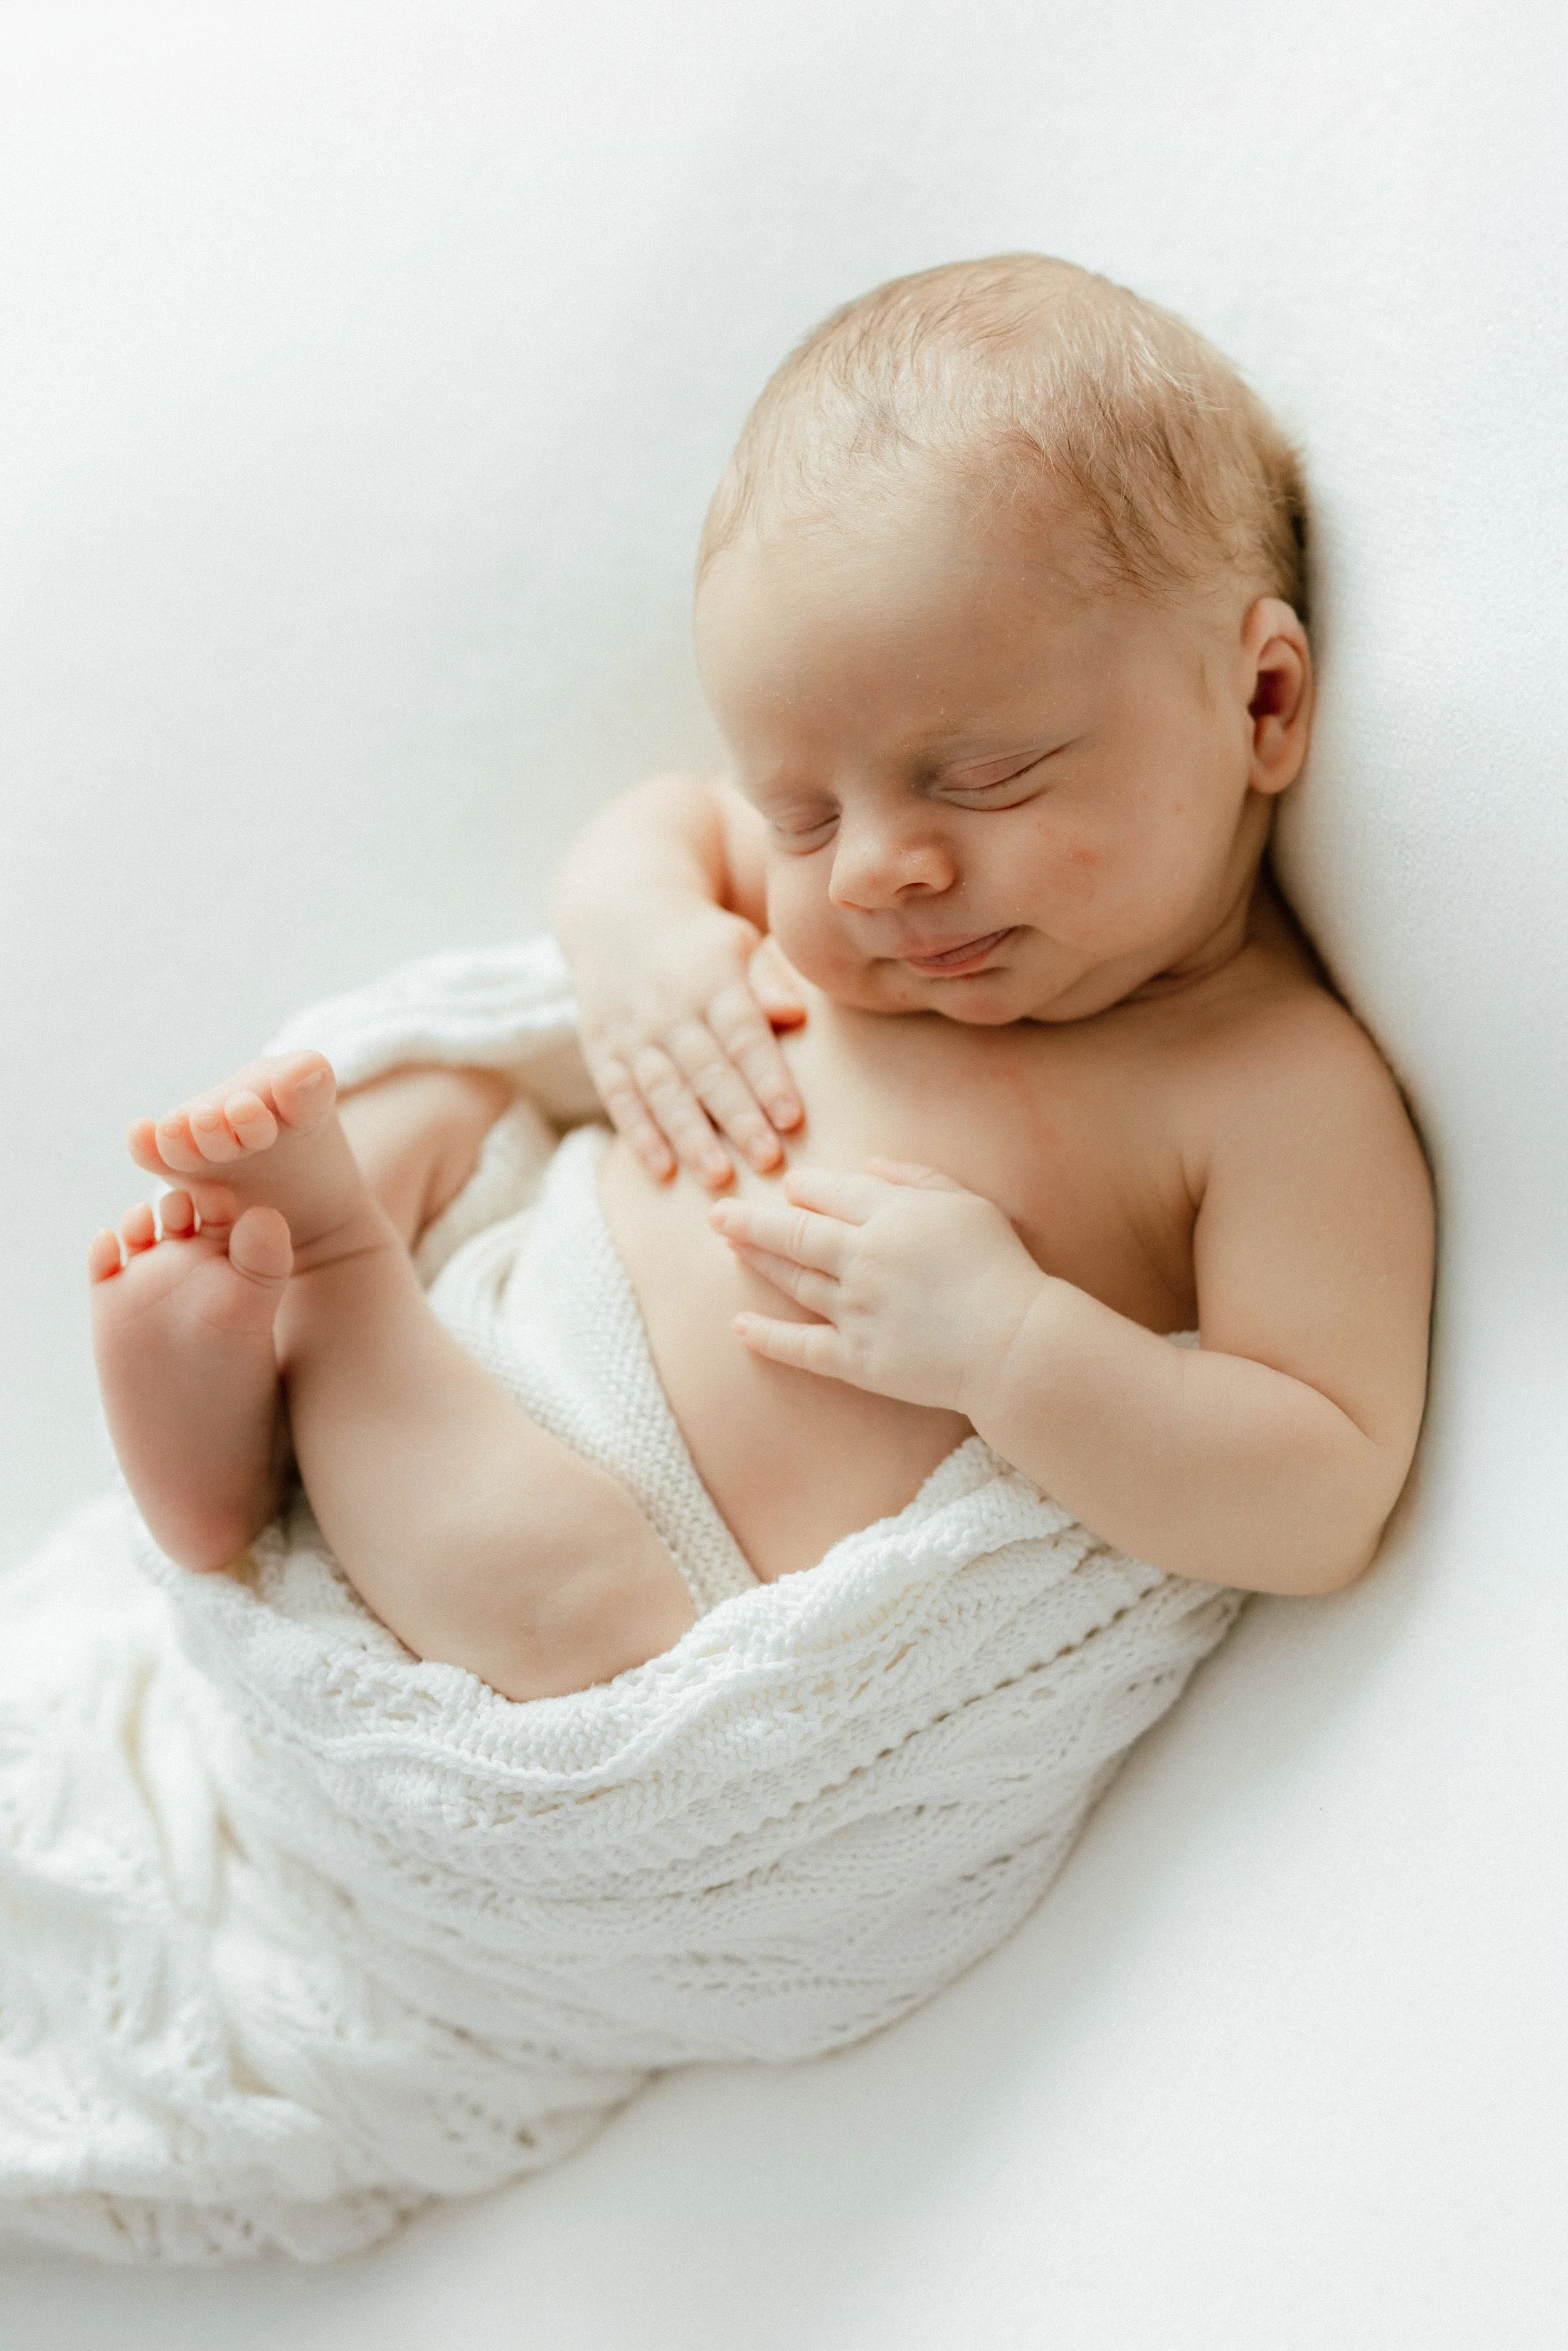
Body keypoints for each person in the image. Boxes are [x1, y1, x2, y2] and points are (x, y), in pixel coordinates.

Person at [85, 255, 1434, 1703]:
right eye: (800, 811)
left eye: (980, 778)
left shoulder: (1276, 1091)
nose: (866, 873)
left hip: (641, 1553)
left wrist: (1009, 1343)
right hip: (522, 1270)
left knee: (551, 1602)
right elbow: (656, 827)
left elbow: (1323, 1488)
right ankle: (248, 1392)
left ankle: (323, 1296)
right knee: (437, 1096)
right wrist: (636, 928)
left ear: (1261, 700)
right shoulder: (851, 890)